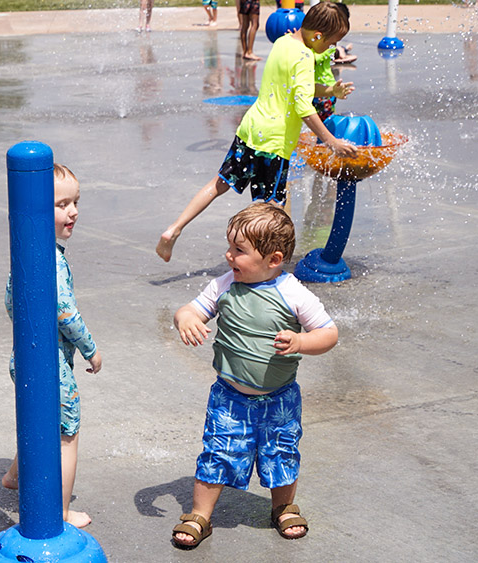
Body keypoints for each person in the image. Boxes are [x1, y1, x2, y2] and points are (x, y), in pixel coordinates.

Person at [169, 203, 338, 549]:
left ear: (273, 259)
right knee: (217, 452)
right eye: (230, 246)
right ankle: (200, 514)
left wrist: (302, 341)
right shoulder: (224, 285)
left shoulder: (292, 293)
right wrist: (185, 318)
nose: (228, 255)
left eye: (238, 250)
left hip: (279, 398)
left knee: (281, 453)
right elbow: (190, 310)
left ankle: (283, 506)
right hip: (229, 396)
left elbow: (328, 333)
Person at [156, 1, 357, 262]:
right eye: (330, 43)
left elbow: (297, 86)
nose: (329, 49)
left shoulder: (284, 43)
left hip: (251, 130)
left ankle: (174, 229)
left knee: (219, 184)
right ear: (317, 35)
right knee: (273, 210)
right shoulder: (306, 57)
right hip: (274, 142)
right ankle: (255, 265)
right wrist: (331, 142)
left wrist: (330, 90)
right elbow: (303, 106)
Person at [1, 164, 103, 530]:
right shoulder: (52, 260)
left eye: (75, 202)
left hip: (26, 357)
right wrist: (90, 349)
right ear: (38, 210)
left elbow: (11, 304)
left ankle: (15, 475)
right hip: (52, 363)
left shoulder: (27, 253)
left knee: (37, 418)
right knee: (66, 434)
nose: (73, 211)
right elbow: (65, 312)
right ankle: (59, 511)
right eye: (62, 204)